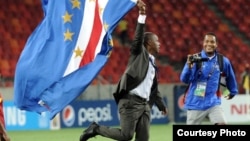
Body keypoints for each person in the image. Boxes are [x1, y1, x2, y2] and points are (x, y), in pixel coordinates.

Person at [79, 1, 168, 141]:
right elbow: (138, 38)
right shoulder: (139, 53)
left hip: (144, 105)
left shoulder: (152, 62)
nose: (159, 44)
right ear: (149, 43)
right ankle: (96, 128)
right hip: (130, 102)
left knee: (143, 139)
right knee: (126, 136)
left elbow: (153, 88)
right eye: (156, 41)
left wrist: (161, 105)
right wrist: (142, 16)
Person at [180, 32, 238, 125]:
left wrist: (233, 91)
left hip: (213, 102)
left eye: (212, 42)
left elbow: (230, 76)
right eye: (207, 41)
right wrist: (188, 67)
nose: (209, 44)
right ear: (203, 43)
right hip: (196, 103)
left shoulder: (222, 60)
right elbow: (184, 79)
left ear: (216, 44)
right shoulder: (195, 59)